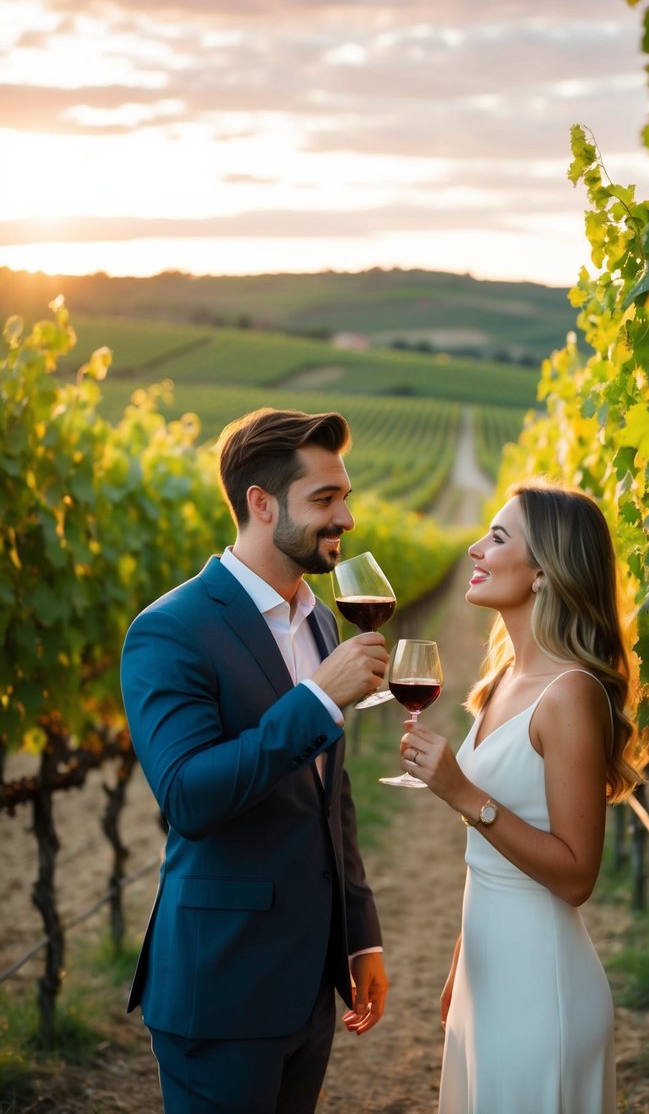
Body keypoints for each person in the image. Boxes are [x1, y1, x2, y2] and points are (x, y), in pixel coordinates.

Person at [121, 407, 390, 1114]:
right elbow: (188, 797)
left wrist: (359, 937)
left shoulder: (323, 618)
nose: (347, 518)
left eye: (345, 496)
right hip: (222, 990)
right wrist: (315, 701)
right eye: (325, 500)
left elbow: (331, 797)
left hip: (308, 984)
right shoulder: (170, 630)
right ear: (261, 505)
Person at [399, 480, 641, 1113]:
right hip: (489, 972)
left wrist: (462, 792)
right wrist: (461, 961)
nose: (476, 549)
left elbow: (576, 873)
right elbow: (492, 863)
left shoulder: (569, 694)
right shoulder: (505, 676)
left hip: (541, 988)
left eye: (498, 537)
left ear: (544, 571)